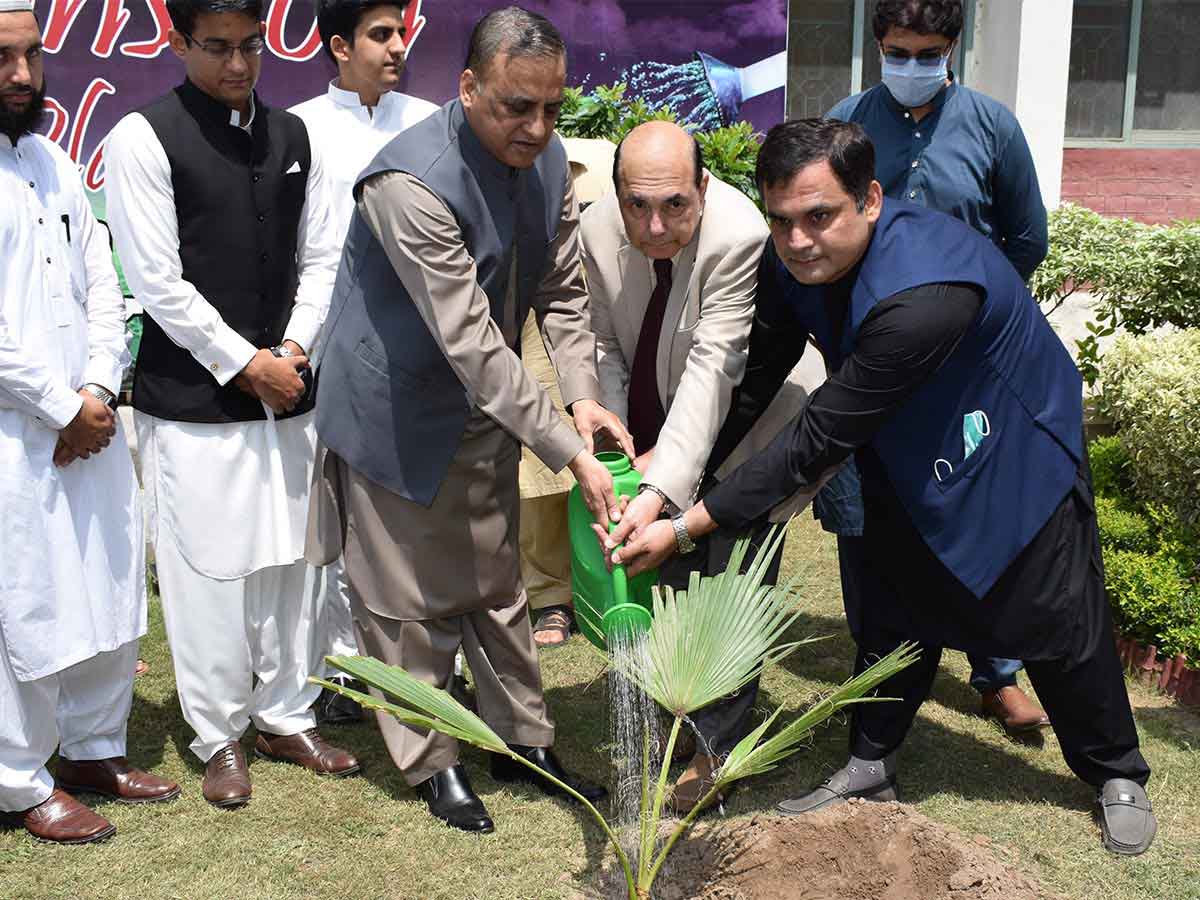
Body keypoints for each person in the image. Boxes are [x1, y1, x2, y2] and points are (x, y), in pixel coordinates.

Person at [611, 119, 1156, 856]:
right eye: (780, 221)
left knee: (1056, 617)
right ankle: (871, 762)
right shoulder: (791, 261)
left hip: (1004, 443)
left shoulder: (925, 293)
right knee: (891, 607)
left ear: (869, 200)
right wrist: (685, 474)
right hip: (902, 443)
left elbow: (815, 438)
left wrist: (687, 526)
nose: (798, 240)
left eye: (819, 217)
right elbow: (760, 372)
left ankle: (1115, 771)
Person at [306, 6, 631, 834]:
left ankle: (521, 741)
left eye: (553, 107)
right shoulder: (406, 184)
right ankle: (433, 761)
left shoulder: (551, 159)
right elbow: (474, 343)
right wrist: (568, 453)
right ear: (467, 86)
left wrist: (585, 395)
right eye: (515, 107)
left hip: (482, 408)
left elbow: (561, 289)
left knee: (496, 583)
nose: (537, 127)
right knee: (404, 601)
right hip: (392, 408)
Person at [104, 0, 359, 810]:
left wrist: (293, 350)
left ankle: (287, 712)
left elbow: (325, 255)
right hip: (195, 404)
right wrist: (246, 363)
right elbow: (156, 280)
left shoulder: (294, 136)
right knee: (207, 571)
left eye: (251, 46)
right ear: (177, 43)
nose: (239, 65)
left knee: (296, 560)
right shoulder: (143, 136)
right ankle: (219, 734)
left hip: (291, 391)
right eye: (217, 48)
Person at [822, 0, 1050, 735]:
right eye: (897, 51)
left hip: (967, 366)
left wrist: (975, 307)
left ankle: (996, 671)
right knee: (867, 511)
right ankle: (878, 668)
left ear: (954, 47)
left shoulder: (993, 126)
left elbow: (1026, 237)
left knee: (978, 508)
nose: (911, 67)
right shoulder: (847, 123)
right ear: (877, 45)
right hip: (873, 359)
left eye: (927, 54)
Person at [586, 121, 811, 813]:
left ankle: (718, 748)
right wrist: (621, 448)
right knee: (671, 579)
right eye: (637, 205)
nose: (654, 226)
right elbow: (602, 340)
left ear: (704, 189)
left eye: (674, 205)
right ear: (617, 192)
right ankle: (676, 717)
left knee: (731, 584)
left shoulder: (739, 237)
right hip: (659, 429)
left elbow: (717, 367)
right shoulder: (594, 227)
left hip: (751, 424)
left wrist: (658, 486)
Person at [0, 0, 179, 844]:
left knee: (107, 581)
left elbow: (104, 282)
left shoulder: (53, 159)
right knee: (23, 601)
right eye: (4, 58)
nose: (23, 75)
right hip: (15, 432)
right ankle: (16, 777)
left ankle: (91, 745)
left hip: (91, 420)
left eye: (32, 55)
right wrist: (63, 405)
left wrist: (100, 390)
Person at [290, 0, 439, 726]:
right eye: (381, 35)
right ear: (338, 46)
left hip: (418, 351)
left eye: (401, 33)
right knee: (330, 513)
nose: (397, 47)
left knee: (407, 514)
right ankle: (339, 670)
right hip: (324, 350)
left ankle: (416, 670)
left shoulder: (430, 119)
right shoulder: (301, 128)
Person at [522, 135, 618, 649]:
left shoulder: (603, 159)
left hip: (597, 326)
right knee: (536, 471)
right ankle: (548, 597)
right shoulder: (495, 160)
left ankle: (602, 585)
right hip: (526, 329)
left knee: (604, 463)